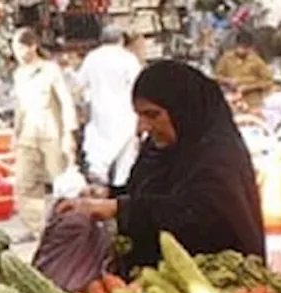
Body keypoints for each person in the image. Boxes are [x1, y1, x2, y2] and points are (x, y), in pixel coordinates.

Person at [55, 60, 264, 273]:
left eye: (153, 115)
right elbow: (148, 193)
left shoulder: (218, 155)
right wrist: (107, 195)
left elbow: (200, 215)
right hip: (156, 280)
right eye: (140, 115)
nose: (143, 127)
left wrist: (118, 208)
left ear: (183, 108)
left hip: (216, 281)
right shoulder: (158, 148)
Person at [11, 27, 78, 239]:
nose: (18, 54)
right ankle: (36, 229)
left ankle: (68, 227)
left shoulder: (50, 70)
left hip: (51, 132)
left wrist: (69, 133)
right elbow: (19, 107)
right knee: (25, 182)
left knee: (60, 183)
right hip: (27, 134)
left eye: (21, 48)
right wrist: (15, 133)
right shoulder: (19, 74)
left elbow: (66, 102)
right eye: (15, 49)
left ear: (33, 46)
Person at [77, 26, 141, 188]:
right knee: (125, 157)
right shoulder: (128, 58)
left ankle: (99, 184)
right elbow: (138, 85)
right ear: (121, 40)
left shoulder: (92, 58)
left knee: (99, 152)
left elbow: (80, 84)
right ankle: (121, 190)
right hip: (125, 112)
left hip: (100, 113)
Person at [214, 30, 274, 109]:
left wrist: (249, 87)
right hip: (231, 96)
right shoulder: (226, 58)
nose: (242, 50)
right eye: (241, 47)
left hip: (252, 99)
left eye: (246, 48)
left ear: (251, 48)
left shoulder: (256, 61)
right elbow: (217, 76)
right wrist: (227, 81)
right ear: (236, 45)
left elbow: (268, 81)